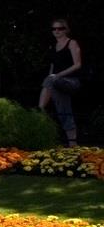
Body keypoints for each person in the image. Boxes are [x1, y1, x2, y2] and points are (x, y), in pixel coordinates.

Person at [40, 18, 83, 146]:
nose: (57, 31)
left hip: (71, 81)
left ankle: (40, 110)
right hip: (56, 82)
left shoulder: (72, 43)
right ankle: (72, 143)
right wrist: (51, 79)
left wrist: (57, 76)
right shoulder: (53, 47)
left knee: (52, 81)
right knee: (63, 108)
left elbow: (78, 65)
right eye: (54, 29)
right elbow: (52, 68)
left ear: (66, 30)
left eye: (60, 28)